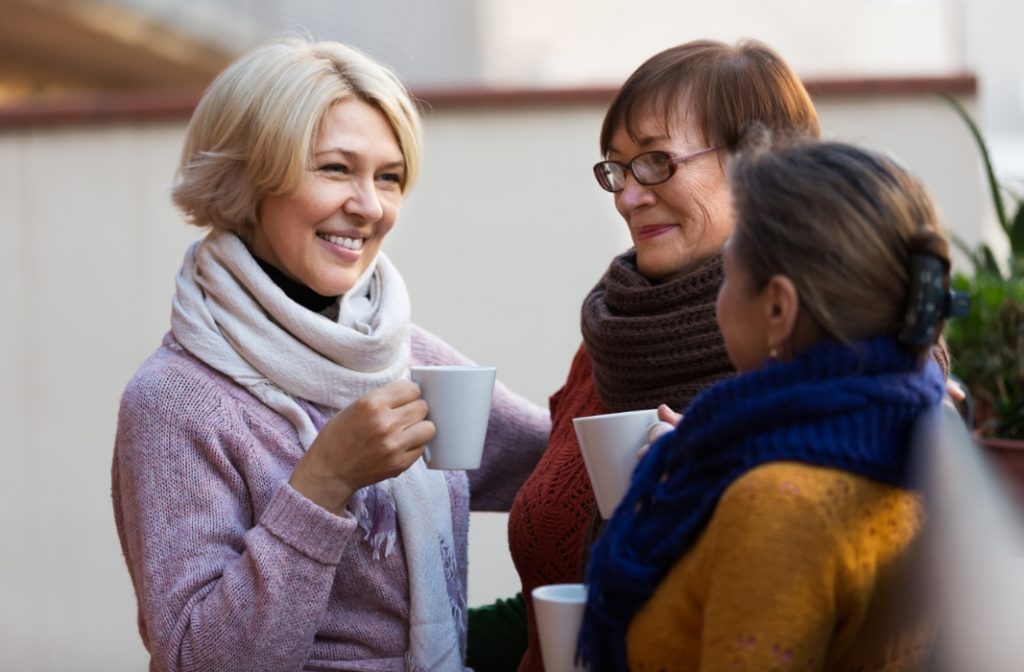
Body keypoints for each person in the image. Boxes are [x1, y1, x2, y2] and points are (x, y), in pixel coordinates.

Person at [111, 38, 549, 672]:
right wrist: (323, 485)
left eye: (389, 177)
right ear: (248, 178)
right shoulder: (175, 401)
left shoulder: (400, 351)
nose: (370, 206)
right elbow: (195, 658)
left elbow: (557, 462)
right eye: (336, 169)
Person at [498, 39, 824, 672]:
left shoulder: (841, 363)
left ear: (762, 166)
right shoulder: (610, 342)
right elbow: (546, 592)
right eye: (618, 169)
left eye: (655, 162)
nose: (625, 197)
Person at [580, 134, 960, 671]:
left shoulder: (777, 503)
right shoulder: (910, 436)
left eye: (729, 275)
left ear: (778, 307)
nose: (716, 301)